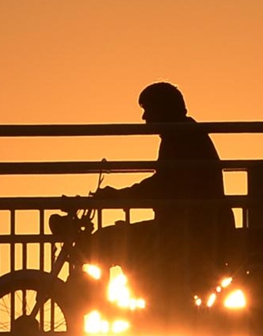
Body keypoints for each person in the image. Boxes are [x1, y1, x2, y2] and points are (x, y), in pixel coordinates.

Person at [87, 82, 235, 311]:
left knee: (108, 240)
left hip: (191, 229)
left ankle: (130, 305)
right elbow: (165, 182)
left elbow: (163, 184)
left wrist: (119, 196)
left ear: (163, 109)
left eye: (148, 109)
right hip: (194, 226)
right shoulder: (184, 134)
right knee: (121, 241)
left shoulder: (181, 137)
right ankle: (149, 298)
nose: (144, 117)